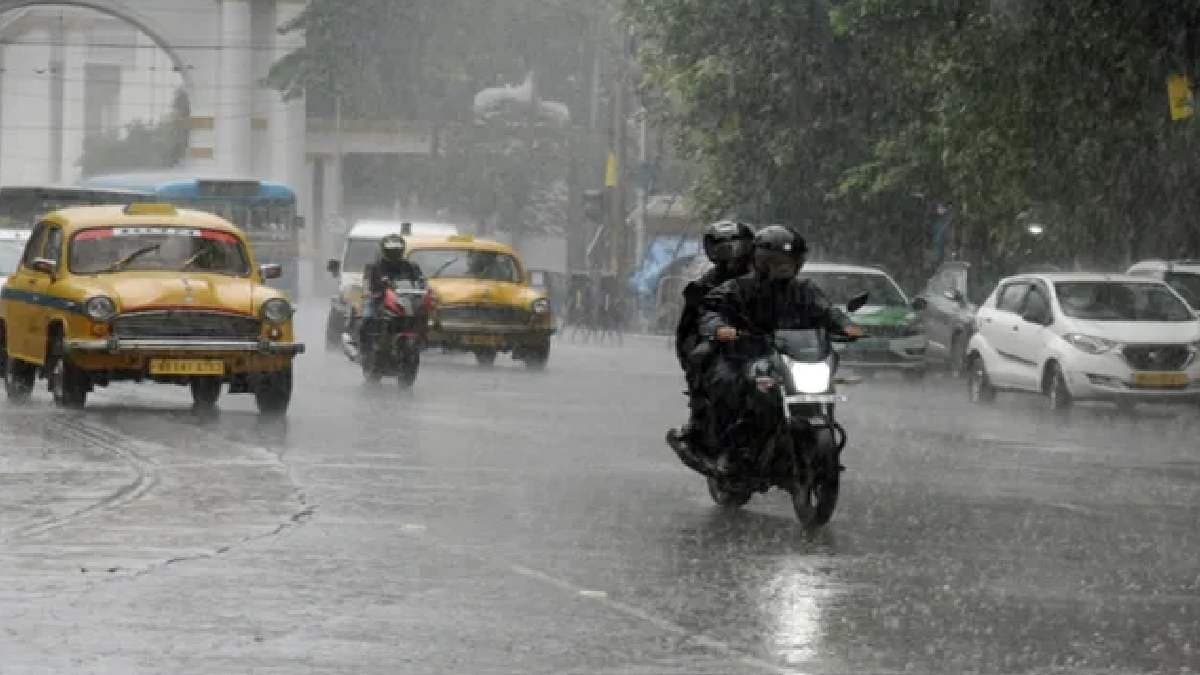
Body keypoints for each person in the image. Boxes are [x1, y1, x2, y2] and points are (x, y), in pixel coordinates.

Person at [699, 225, 862, 472]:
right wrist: (719, 327)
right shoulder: (738, 288)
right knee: (726, 382)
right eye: (776, 261)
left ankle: (806, 442)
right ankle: (727, 450)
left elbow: (827, 311)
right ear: (761, 261)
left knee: (826, 375)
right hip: (746, 354)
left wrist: (846, 325)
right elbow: (712, 309)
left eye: (789, 260)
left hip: (791, 356)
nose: (783, 266)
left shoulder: (805, 289)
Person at [666, 220, 755, 457]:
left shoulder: (768, 279)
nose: (732, 255)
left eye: (737, 247)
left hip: (764, 342)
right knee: (708, 365)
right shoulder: (705, 284)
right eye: (724, 249)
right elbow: (691, 325)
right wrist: (715, 334)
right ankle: (700, 422)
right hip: (724, 344)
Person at [351, 234, 426, 349]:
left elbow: (420, 279)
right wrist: (371, 292)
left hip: (404, 298)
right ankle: (362, 347)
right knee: (367, 318)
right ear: (384, 250)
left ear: (402, 250)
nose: (394, 253)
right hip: (379, 299)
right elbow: (367, 283)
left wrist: (422, 287)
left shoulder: (410, 266)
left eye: (397, 250)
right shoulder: (375, 267)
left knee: (422, 314)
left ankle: (421, 340)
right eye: (391, 251)